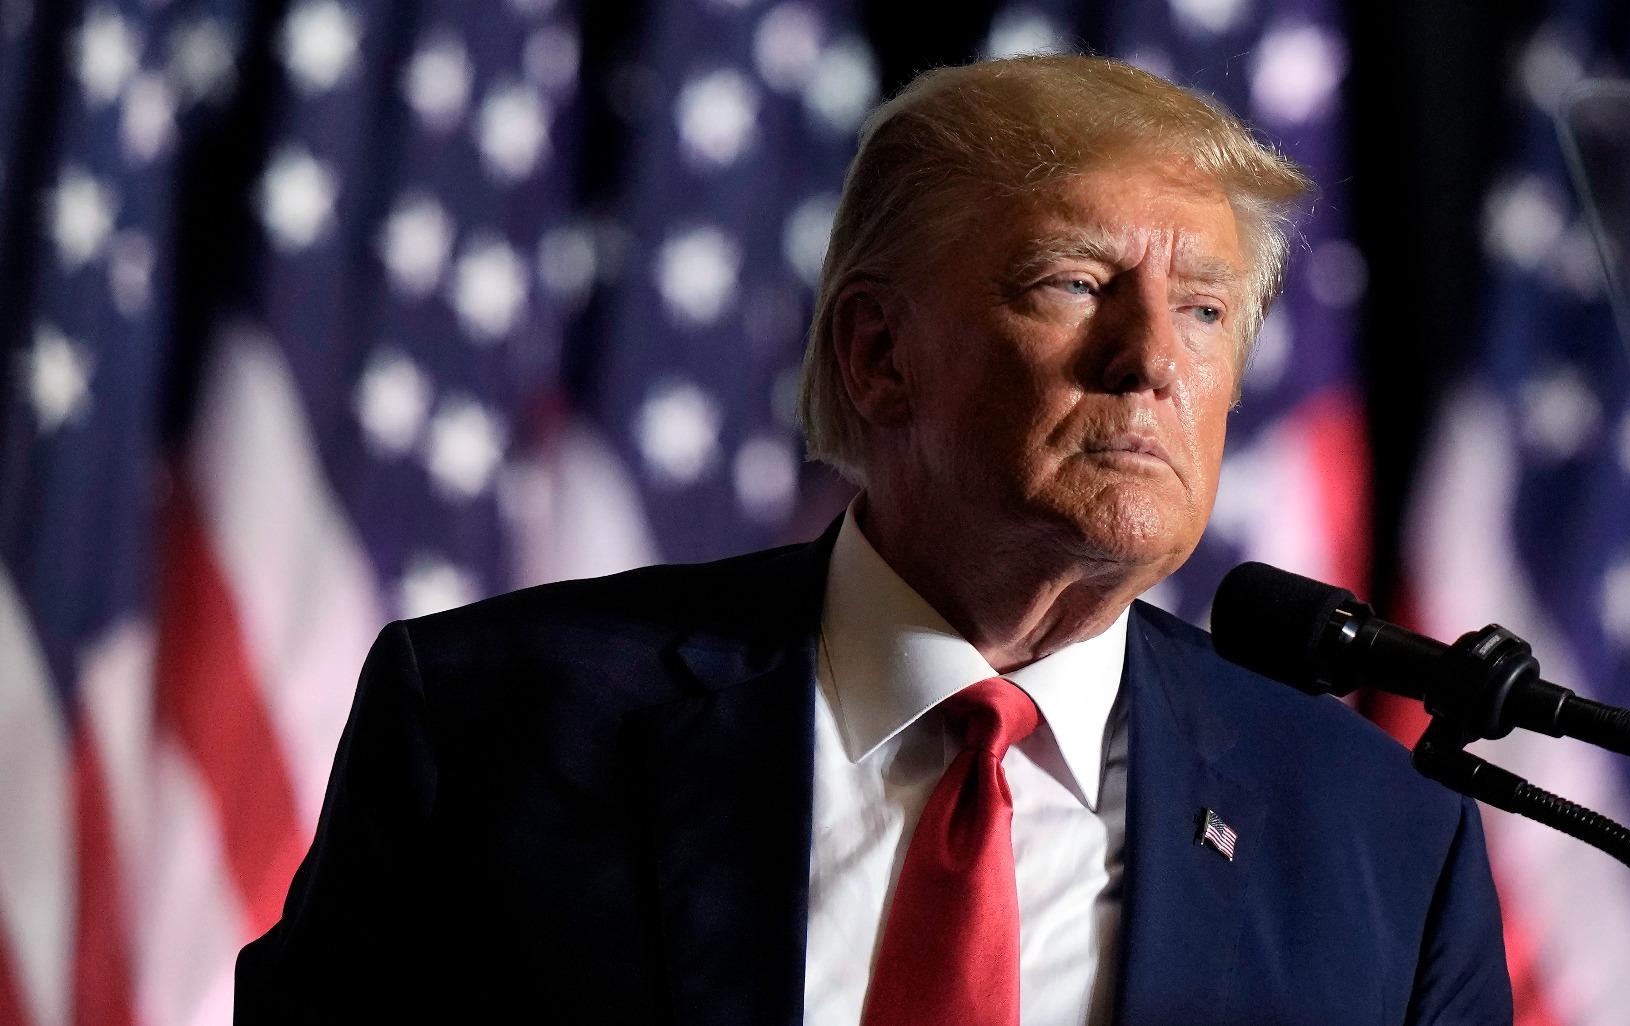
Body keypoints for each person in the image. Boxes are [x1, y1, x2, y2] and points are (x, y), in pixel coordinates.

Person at [235, 54, 1512, 1025]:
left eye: (1204, 310)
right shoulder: (493, 724)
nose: (1149, 363)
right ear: (879, 353)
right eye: (1074, 284)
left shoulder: (1377, 836)